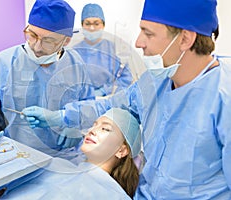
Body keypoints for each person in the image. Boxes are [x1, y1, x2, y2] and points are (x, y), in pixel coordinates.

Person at [21, 0, 231, 198]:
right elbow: (110, 105)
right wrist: (62, 116)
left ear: (185, 39)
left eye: (148, 33)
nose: (139, 43)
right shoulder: (155, 82)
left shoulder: (223, 98)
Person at [0, 0, 95, 159]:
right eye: (32, 35)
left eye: (48, 41)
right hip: (14, 156)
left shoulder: (76, 65)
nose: (37, 47)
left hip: (64, 158)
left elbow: (88, 107)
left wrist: (77, 130)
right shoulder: (2, 64)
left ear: (66, 40)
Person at [2, 108, 141, 199]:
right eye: (94, 124)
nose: (92, 130)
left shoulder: (115, 196)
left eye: (105, 128)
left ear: (121, 151)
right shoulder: (57, 165)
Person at [72, 3, 133, 97]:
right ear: (82, 25)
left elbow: (125, 77)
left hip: (108, 100)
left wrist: (108, 92)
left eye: (96, 24)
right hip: (80, 101)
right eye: (87, 24)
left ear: (103, 25)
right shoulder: (74, 51)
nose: (92, 28)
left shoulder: (114, 49)